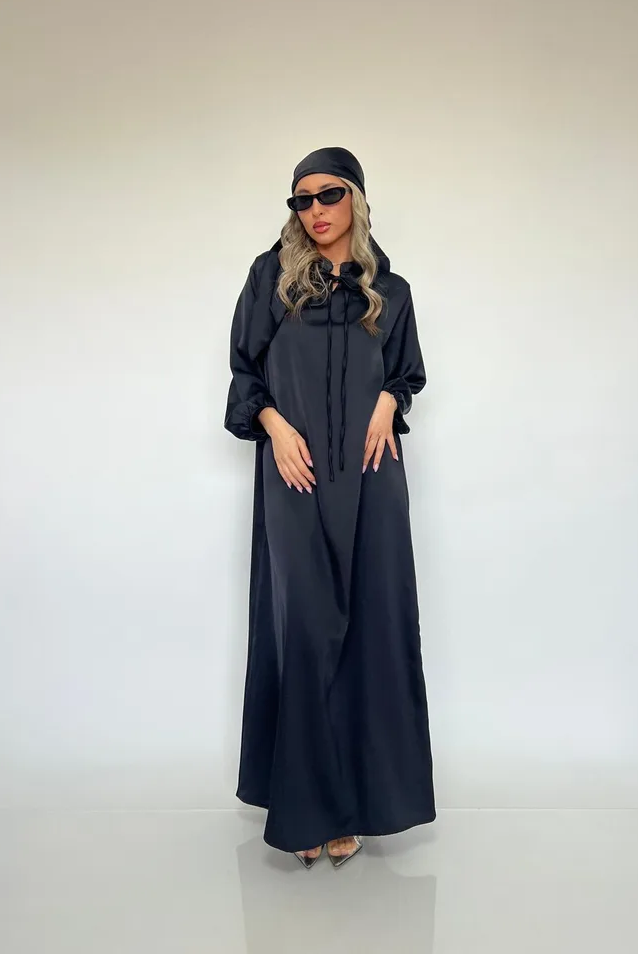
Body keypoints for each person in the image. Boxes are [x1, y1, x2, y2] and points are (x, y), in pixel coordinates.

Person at [225, 147, 436, 868]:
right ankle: (306, 809)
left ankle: (353, 807)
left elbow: (406, 374)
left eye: (329, 195)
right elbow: (245, 373)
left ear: (357, 200)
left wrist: (388, 402)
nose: (314, 210)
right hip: (296, 474)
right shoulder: (272, 279)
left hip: (372, 477)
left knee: (371, 627)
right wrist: (275, 428)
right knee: (306, 629)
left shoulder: (392, 291)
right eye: (301, 199)